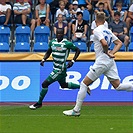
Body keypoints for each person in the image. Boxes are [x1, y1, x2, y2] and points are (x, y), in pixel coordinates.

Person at [63, 12, 133, 116]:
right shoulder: (108, 31)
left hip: (102, 61)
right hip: (110, 61)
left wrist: (106, 52)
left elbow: (104, 43)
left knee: (84, 84)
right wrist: (111, 53)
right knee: (118, 86)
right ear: (104, 21)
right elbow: (119, 43)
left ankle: (76, 110)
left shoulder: (97, 30)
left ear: (95, 21)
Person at [29, 28, 82, 109]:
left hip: (60, 69)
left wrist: (72, 61)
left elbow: (78, 50)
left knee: (44, 84)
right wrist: (44, 59)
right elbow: (49, 51)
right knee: (63, 85)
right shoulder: (52, 42)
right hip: (55, 67)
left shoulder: (67, 43)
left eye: (60, 34)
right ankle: (81, 86)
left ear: (63, 35)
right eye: (58, 34)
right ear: (56, 34)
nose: (59, 35)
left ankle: (39, 103)